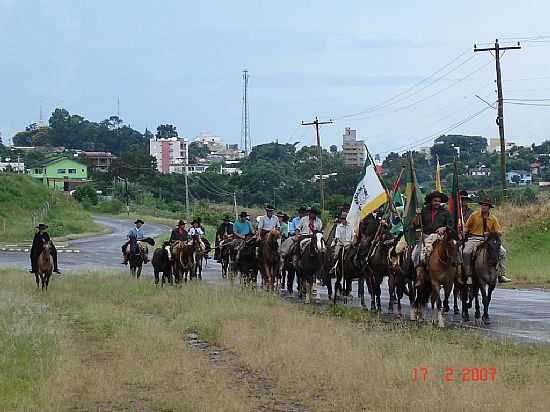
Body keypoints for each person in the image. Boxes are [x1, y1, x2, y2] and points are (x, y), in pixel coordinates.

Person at [463, 199, 511, 283]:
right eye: (483, 205)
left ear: (489, 208)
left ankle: (501, 274)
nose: (484, 207)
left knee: (503, 252)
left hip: (488, 239)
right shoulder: (474, 215)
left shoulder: (492, 218)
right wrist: (464, 232)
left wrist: (490, 233)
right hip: (475, 238)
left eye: (486, 206)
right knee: (466, 252)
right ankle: (468, 275)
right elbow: (467, 226)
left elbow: (499, 231)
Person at [411, 191, 452, 269]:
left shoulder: (445, 212)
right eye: (435, 201)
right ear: (431, 201)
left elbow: (450, 225)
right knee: (416, 254)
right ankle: (417, 274)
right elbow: (416, 224)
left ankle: (457, 274)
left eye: (439, 201)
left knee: (453, 252)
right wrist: (417, 215)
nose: (437, 203)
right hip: (425, 237)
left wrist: (444, 228)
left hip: (440, 237)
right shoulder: (424, 210)